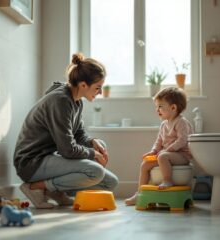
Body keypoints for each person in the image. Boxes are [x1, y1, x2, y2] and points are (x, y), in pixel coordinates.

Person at [14, 53, 118, 209]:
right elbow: (67, 149)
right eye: (98, 87)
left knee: (110, 182)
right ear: (83, 85)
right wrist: (92, 153)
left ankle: (54, 190)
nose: (100, 92)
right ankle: (35, 187)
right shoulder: (60, 101)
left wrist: (92, 142)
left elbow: (78, 134)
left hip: (50, 158)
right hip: (32, 162)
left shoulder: (76, 102)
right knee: (95, 172)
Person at [125, 87, 193, 206]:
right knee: (145, 164)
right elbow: (159, 141)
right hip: (167, 155)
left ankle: (168, 180)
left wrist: (166, 151)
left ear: (173, 107)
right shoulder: (163, 124)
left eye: (160, 106)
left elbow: (183, 140)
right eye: (156, 107)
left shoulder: (181, 122)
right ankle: (140, 193)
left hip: (182, 155)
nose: (157, 110)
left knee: (162, 157)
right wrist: (153, 152)